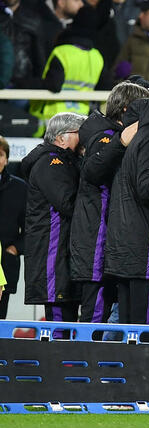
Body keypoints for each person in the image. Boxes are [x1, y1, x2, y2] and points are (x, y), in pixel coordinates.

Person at [71, 81, 149, 323]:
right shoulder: (106, 138)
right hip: (97, 236)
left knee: (106, 311)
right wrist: (120, 143)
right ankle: (85, 350)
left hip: (106, 235)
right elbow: (92, 172)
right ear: (127, 109)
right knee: (95, 313)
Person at [104, 97, 149, 326]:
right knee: (145, 326)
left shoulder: (131, 140)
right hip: (145, 244)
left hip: (124, 243)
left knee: (128, 323)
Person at [21, 112, 85, 321]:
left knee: (67, 321)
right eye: (79, 133)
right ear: (61, 138)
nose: (84, 138)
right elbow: (68, 203)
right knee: (59, 325)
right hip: (53, 256)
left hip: (61, 255)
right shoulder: (50, 163)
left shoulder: (66, 162)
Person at [0, 136, 28, 319]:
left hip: (5, 264)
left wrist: (15, 249)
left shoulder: (20, 188)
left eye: (0, 155)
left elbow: (30, 227)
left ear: (7, 159)